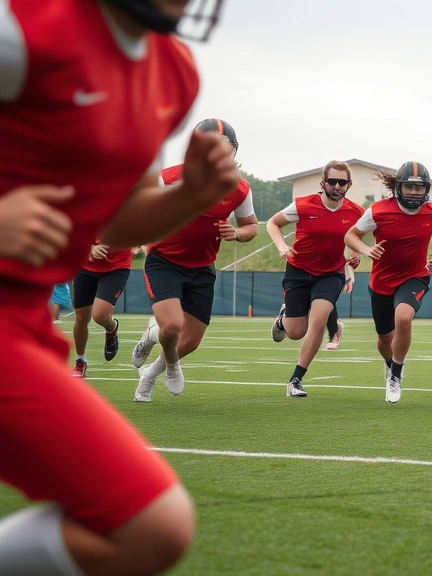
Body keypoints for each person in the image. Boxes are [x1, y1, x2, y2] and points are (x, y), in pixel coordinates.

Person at [0, 1, 233, 574]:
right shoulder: (22, 30)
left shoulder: (172, 72)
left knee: (151, 528)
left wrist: (189, 197)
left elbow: (123, 215)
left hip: (18, 324)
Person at [131, 118, 258, 403]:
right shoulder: (169, 179)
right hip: (165, 261)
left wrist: (236, 233)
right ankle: (170, 360)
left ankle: (150, 372)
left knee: (191, 340)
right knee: (174, 327)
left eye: (226, 147)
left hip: (202, 267)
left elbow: (252, 226)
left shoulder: (239, 188)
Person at [345, 161, 432, 404]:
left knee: (403, 318)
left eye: (420, 188)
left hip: (415, 276)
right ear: (399, 187)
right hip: (382, 281)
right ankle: (390, 363)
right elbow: (351, 235)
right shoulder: (379, 211)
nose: (415, 193)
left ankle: (395, 375)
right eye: (410, 187)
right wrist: (366, 249)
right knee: (384, 342)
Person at [268, 161, 363, 398]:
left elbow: (358, 234)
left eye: (342, 182)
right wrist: (281, 246)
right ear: (323, 183)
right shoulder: (302, 205)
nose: (337, 186)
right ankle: (283, 319)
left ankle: (295, 380)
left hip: (331, 274)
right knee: (295, 332)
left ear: (349, 185)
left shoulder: (356, 212)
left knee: (319, 321)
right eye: (332, 181)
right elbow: (273, 223)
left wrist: (355, 254)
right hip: (298, 272)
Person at [69, 243, 138, 378]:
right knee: (82, 317)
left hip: (117, 266)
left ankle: (112, 327)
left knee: (100, 315)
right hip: (85, 265)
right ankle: (80, 360)